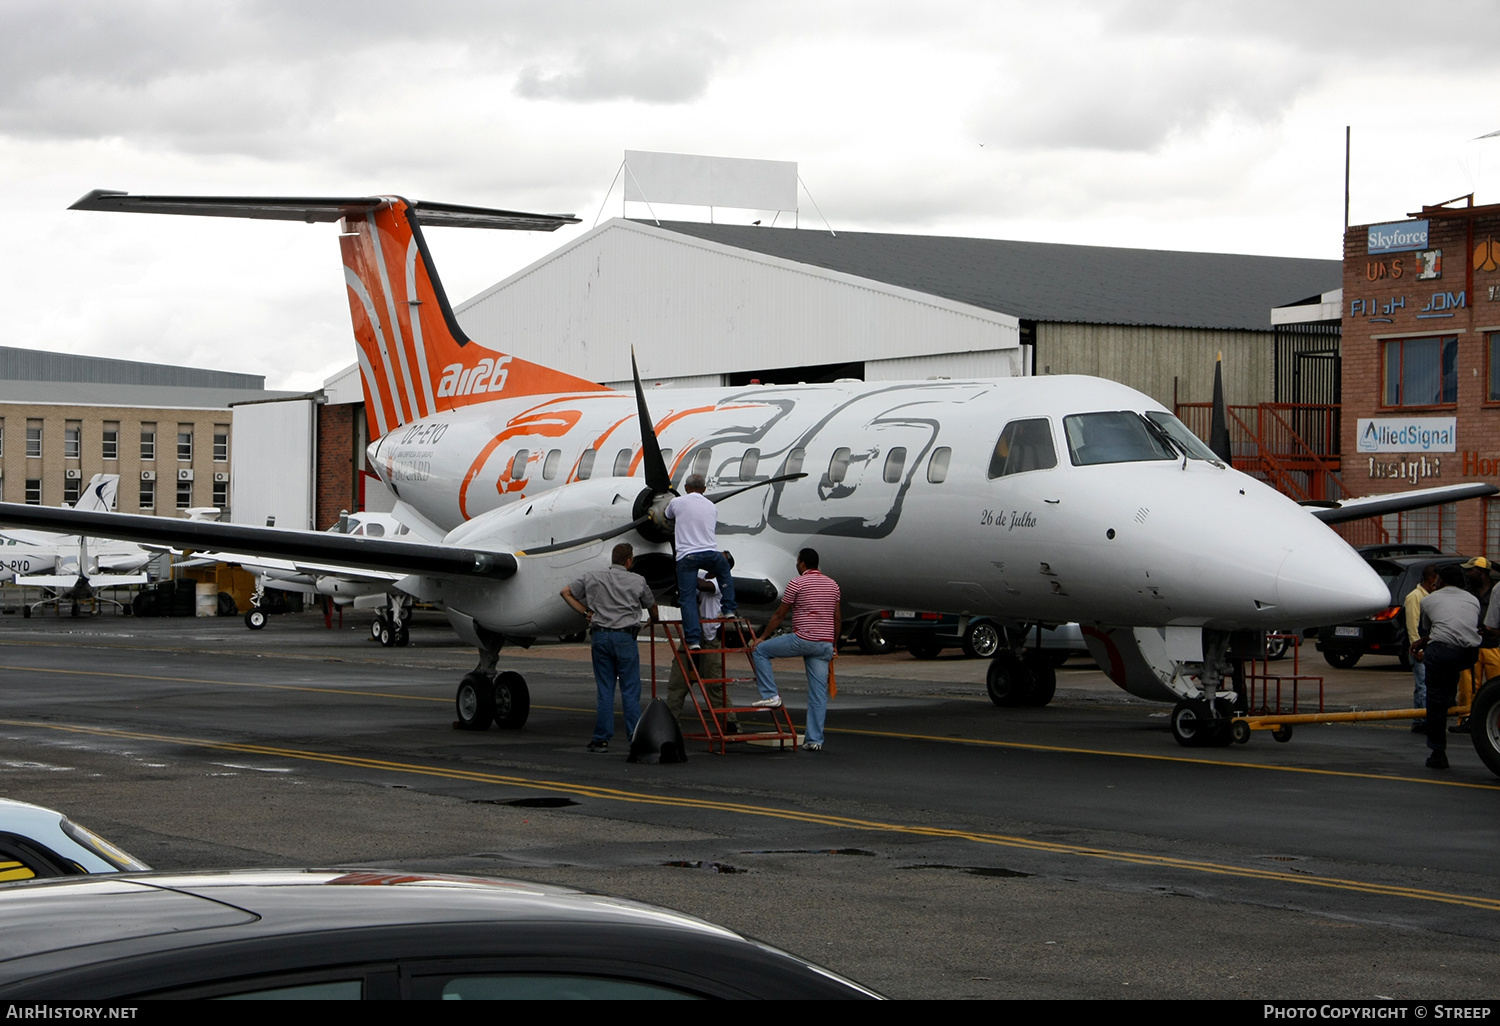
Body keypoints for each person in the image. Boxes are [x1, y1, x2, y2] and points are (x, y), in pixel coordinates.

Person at [560, 542, 658, 754]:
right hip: (625, 637)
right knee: (630, 691)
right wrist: (654, 620)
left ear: (612, 559)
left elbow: (566, 592)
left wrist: (586, 612)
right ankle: (634, 738)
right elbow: (651, 604)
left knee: (605, 690)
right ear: (629, 560)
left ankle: (601, 739)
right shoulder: (637, 580)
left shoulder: (593, 576)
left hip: (601, 636)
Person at [747, 548, 841, 752]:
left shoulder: (797, 583)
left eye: (798, 562)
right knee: (818, 694)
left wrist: (762, 638)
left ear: (802, 563)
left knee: (761, 652)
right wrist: (834, 644)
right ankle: (815, 740)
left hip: (803, 638)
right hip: (824, 644)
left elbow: (780, 614)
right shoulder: (833, 585)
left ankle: (771, 694)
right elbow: (836, 618)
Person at [1413, 564, 1480, 770]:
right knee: (1451, 671)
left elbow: (1427, 627)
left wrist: (1423, 641)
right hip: (1469, 653)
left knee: (1435, 700)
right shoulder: (1473, 600)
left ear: (1441, 581)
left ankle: (1437, 751)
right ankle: (1450, 694)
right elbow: (1459, 626)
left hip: (1441, 652)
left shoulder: (1428, 599)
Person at [666, 553, 739, 733]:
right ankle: (670, 723)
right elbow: (681, 597)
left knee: (714, 685)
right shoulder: (699, 576)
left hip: (711, 639)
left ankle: (729, 724)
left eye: (720, 559)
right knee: (677, 682)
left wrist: (683, 565)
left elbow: (701, 586)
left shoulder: (721, 582)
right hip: (692, 636)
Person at [665, 475, 736, 650]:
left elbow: (666, 515)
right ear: (704, 489)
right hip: (710, 553)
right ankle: (728, 609)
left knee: (687, 598)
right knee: (724, 570)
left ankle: (693, 640)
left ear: (687, 488)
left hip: (687, 557)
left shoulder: (677, 502)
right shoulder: (712, 506)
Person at [1404, 565, 1439, 733]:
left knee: (1425, 685)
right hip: (1420, 649)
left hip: (1430, 648)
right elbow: (1412, 624)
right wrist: (1416, 647)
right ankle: (1422, 720)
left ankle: (1421, 718)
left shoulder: (1431, 597)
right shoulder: (1415, 597)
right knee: (1423, 685)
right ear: (1431, 579)